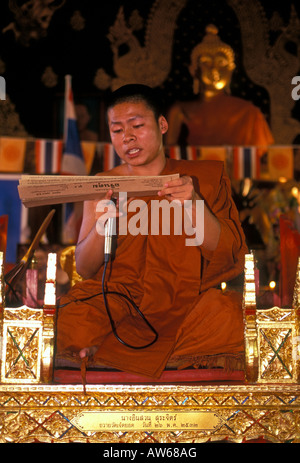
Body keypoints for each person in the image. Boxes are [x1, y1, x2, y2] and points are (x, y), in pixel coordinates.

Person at [56, 84, 248, 378]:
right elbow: (85, 266)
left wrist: (194, 203)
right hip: (118, 298)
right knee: (70, 318)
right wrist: (99, 227)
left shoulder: (202, 178)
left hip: (187, 301)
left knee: (231, 317)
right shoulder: (102, 184)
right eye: (117, 130)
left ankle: (104, 351)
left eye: (137, 125)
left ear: (162, 124)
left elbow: (228, 255)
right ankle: (121, 348)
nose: (128, 137)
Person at [166, 25, 274, 147]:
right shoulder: (179, 110)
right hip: (196, 165)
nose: (214, 69)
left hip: (236, 165)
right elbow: (169, 153)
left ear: (231, 70)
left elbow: (260, 156)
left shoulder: (248, 112)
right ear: (194, 70)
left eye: (221, 62)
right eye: (206, 62)